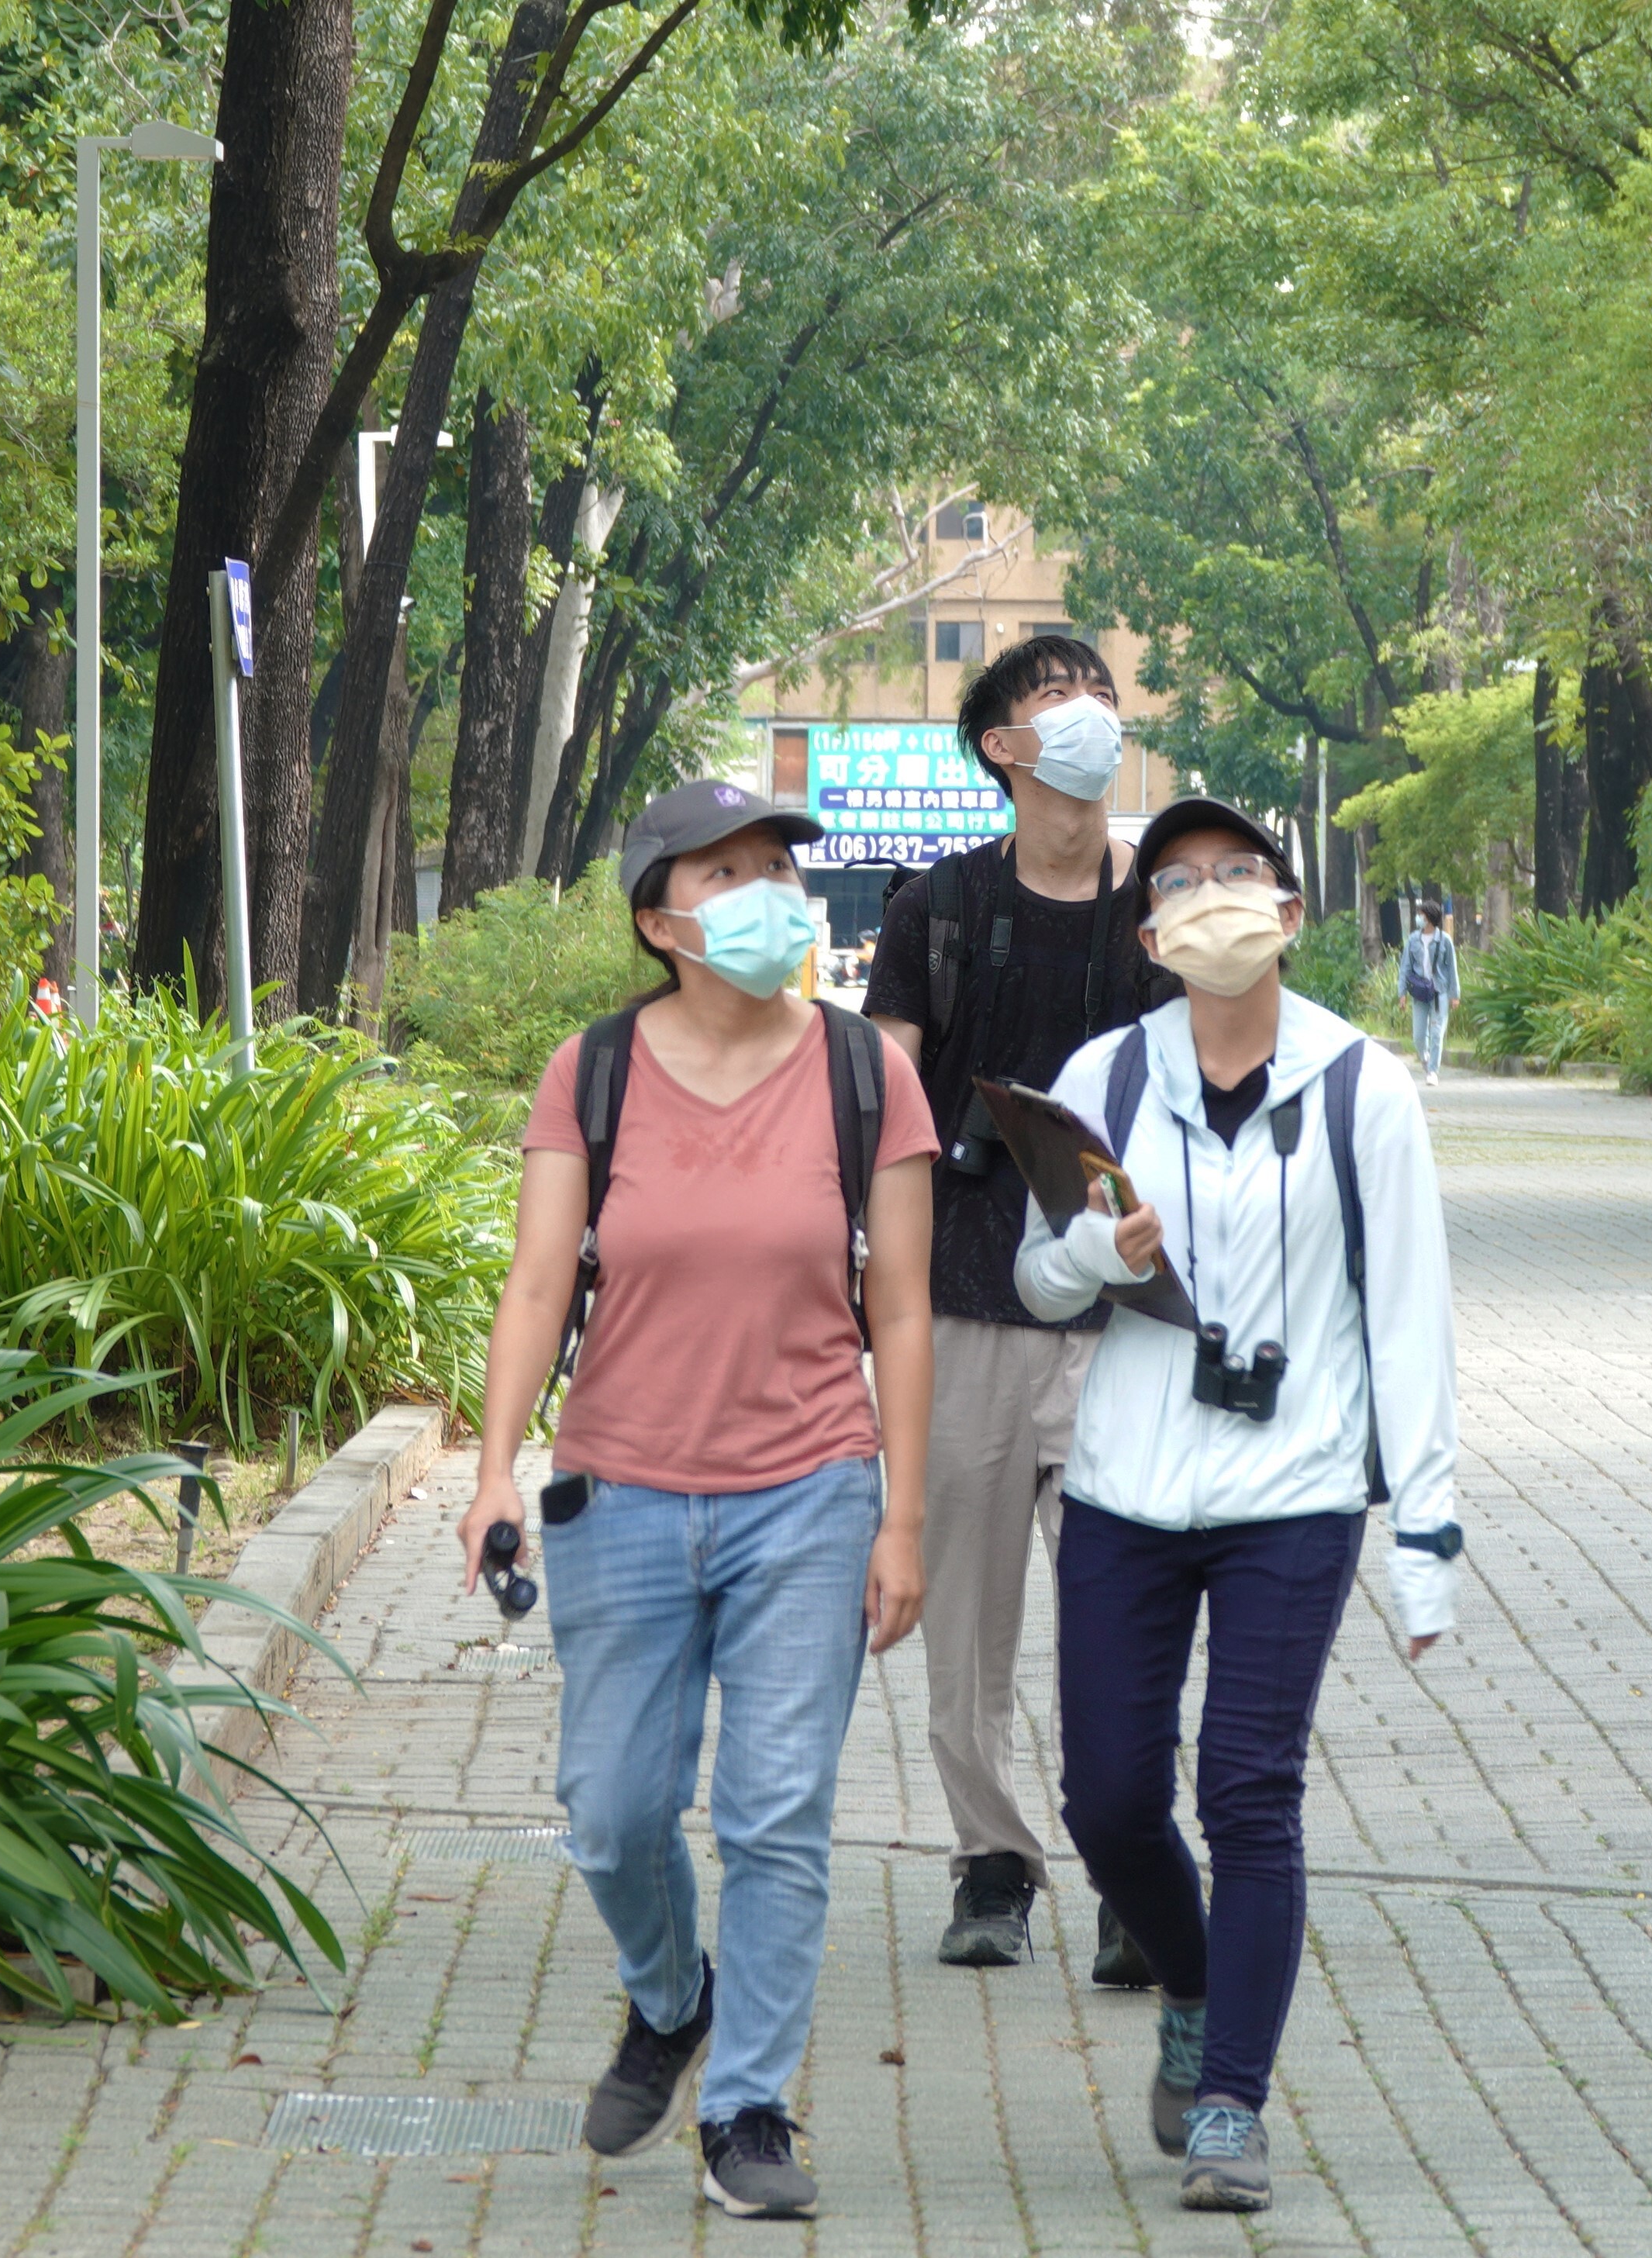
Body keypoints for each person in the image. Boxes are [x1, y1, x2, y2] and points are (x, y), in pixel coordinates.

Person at [460, 781, 939, 2222]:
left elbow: (901, 1310)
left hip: (809, 1491)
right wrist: (493, 1465)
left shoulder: (866, 1074)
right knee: (609, 1812)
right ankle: (671, 1998)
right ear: (660, 916)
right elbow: (541, 1283)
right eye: (724, 871)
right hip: (619, 1489)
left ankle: (747, 2109)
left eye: (775, 867)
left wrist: (901, 1516)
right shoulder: (591, 1072)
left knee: (777, 1813)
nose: (763, 894)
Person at [1014, 797, 1462, 2213]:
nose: (1211, 898)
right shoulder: (1104, 1076)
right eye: (1180, 883)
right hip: (1127, 1487)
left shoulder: (1359, 1085)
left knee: (1250, 1790)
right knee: (1106, 1799)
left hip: (1294, 1489)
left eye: (1237, 875)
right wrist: (1095, 1245)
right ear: (1149, 934)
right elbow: (1037, 1280)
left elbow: (1409, 1321)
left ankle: (1230, 2104)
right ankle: (1194, 1979)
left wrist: (1426, 1545)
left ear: (1285, 911)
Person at [862, 634, 1170, 1975]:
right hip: (969, 1308)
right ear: (1003, 747)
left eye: (1098, 692)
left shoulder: (1158, 909)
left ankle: (1128, 1862)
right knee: (968, 1613)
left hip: (1125, 1327)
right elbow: (880, 1109)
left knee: (1124, 1605)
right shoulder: (934, 909)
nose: (1090, 715)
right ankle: (991, 1859)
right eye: (1057, 698)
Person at [1401, 899, 1459, 1084]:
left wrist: (1454, 994)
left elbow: (1452, 969)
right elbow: (1405, 967)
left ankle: (1433, 1071)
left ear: (1430, 917)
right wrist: (1401, 993)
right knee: (1418, 1036)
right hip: (1419, 992)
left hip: (1439, 992)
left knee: (1436, 1032)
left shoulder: (1444, 940)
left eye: (1422, 915)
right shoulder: (1413, 940)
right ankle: (1425, 1059)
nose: (1419, 918)